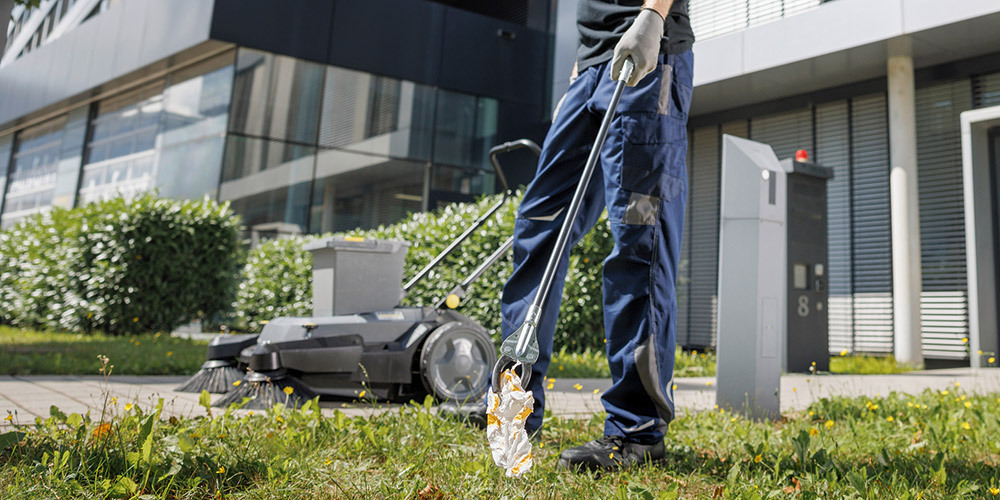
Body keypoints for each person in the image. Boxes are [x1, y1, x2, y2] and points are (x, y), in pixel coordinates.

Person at [444, 0, 694, 472]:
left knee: (640, 237)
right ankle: (514, 403)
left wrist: (654, 16)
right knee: (539, 226)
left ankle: (636, 431)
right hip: (592, 68)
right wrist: (581, 69)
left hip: (649, 49)